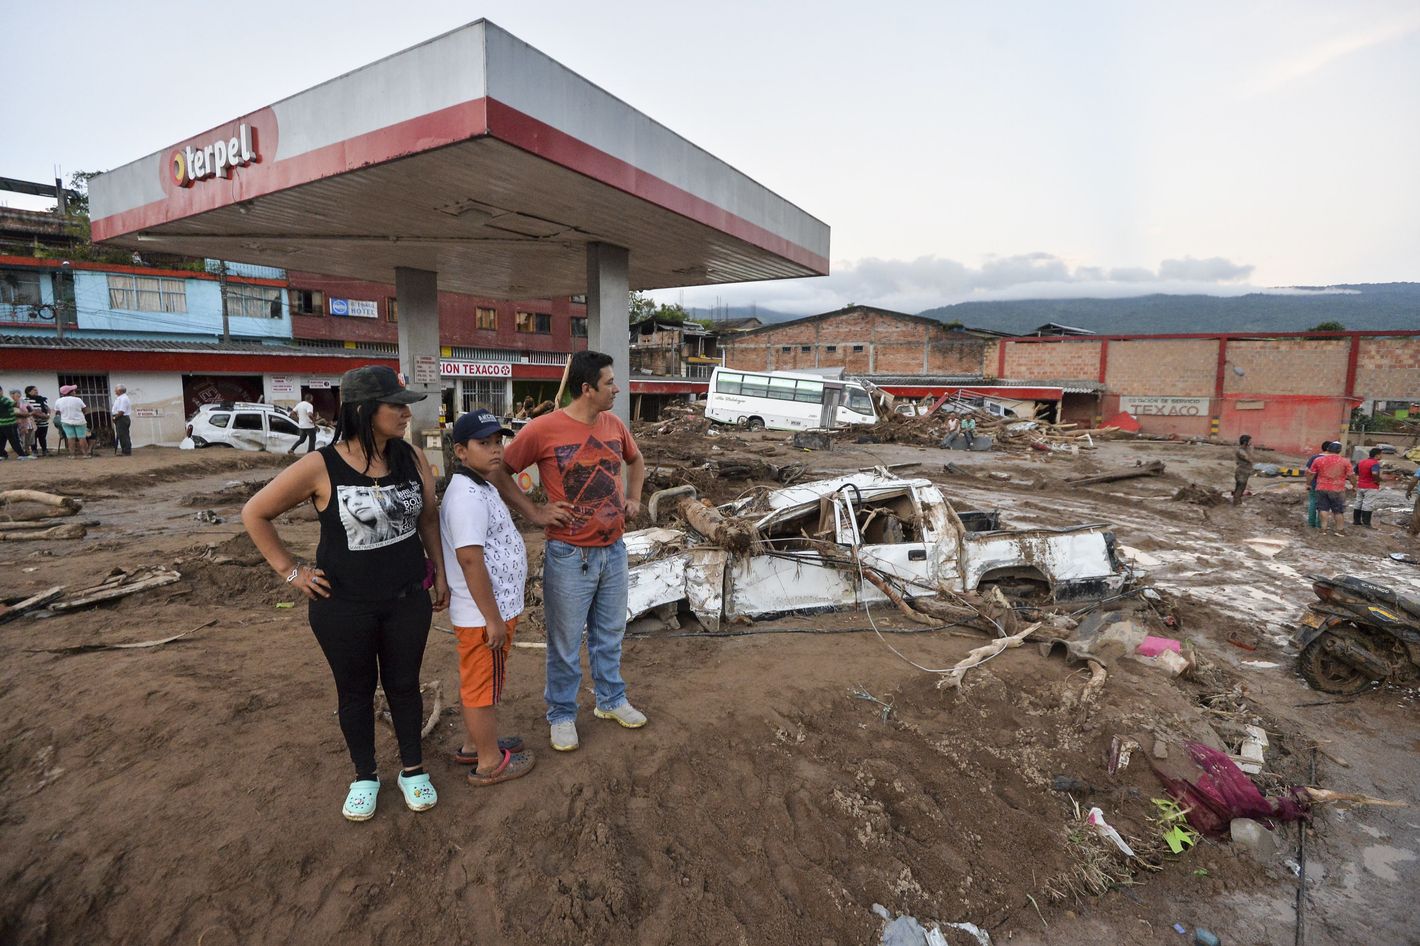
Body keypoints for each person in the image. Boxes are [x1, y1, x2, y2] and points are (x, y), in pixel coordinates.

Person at [241, 365, 450, 822]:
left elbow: (428, 519)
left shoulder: (412, 458)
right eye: (395, 405)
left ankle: (413, 769)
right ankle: (365, 776)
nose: (405, 413)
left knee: (404, 686)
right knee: (354, 693)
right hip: (343, 607)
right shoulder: (321, 465)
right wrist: (291, 571)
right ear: (363, 409)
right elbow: (255, 512)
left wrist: (439, 572)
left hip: (406, 600)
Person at [491, 350, 648, 752]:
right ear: (586, 389)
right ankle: (561, 714)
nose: (616, 388)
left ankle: (610, 700)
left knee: (609, 634)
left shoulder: (613, 424)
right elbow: (499, 471)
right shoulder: (543, 429)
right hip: (569, 555)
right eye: (609, 382)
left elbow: (636, 460)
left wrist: (633, 497)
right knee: (564, 642)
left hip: (613, 550)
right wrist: (534, 511)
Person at [441, 409, 536, 787]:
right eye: (484, 444)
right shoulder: (465, 496)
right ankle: (489, 761)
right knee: (483, 687)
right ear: (461, 451)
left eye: (498, 442)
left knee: (484, 683)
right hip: (484, 616)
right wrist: (492, 619)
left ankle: (473, 744)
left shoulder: (482, 484)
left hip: (491, 612)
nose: (496, 451)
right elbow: (469, 559)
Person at [1307, 441, 1355, 536]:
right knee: (1338, 510)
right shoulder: (1345, 461)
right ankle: (1339, 530)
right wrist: (1355, 485)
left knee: (1323, 509)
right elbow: (1351, 476)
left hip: (1321, 487)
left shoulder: (1319, 460)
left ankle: (1323, 529)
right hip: (1337, 489)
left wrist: (1308, 484)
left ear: (1328, 449)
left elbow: (1310, 473)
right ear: (1339, 450)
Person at [53, 385, 91, 459]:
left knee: (70, 438)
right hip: (79, 421)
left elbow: (57, 412)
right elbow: (85, 410)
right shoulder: (78, 400)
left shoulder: (58, 401)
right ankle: (85, 454)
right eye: (73, 391)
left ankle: (72, 455)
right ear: (70, 392)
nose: (74, 392)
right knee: (81, 437)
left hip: (66, 421)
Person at [1353, 447, 1383, 529]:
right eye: (1381, 455)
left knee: (1358, 502)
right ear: (1376, 456)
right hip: (1371, 486)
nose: (1381, 456)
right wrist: (1378, 480)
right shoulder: (1375, 463)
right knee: (1368, 504)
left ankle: (1356, 521)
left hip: (1360, 485)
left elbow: (1355, 472)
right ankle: (1366, 523)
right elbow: (1374, 473)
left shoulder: (1361, 462)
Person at [1303, 442, 1331, 529]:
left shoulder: (1314, 458)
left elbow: (1307, 471)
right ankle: (1320, 524)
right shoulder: (1334, 459)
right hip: (1328, 486)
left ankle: (1311, 523)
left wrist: (1308, 483)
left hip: (1315, 484)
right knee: (1324, 505)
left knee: (1313, 503)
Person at [0, 389, 32, 460]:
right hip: (9, 423)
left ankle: (2, 455)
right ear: (1, 391)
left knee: (1, 440)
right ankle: (22, 455)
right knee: (14, 440)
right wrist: (17, 398)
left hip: (1, 423)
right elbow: (16, 405)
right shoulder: (4, 399)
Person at [24, 386, 51, 457]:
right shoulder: (25, 400)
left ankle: (45, 450)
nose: (36, 391)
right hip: (33, 423)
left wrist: (47, 415)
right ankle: (34, 451)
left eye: (36, 390)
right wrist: (38, 415)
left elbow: (47, 409)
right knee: (33, 438)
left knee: (42, 437)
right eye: (34, 390)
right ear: (28, 392)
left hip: (43, 422)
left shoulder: (41, 399)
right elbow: (28, 410)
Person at [1233, 434, 1255, 506]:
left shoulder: (1245, 450)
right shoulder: (1241, 451)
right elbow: (1249, 459)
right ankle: (1236, 503)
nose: (1251, 443)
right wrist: (1251, 450)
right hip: (1241, 472)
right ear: (1245, 442)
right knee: (1240, 488)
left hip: (1245, 472)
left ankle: (1237, 502)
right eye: (1250, 441)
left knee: (1241, 488)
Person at [111, 384, 133, 456]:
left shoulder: (124, 399)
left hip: (122, 418)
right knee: (122, 435)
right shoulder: (120, 398)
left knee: (123, 435)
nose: (115, 391)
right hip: (120, 418)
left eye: (116, 390)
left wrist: (115, 418)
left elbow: (121, 411)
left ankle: (126, 451)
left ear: (120, 391)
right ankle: (125, 450)